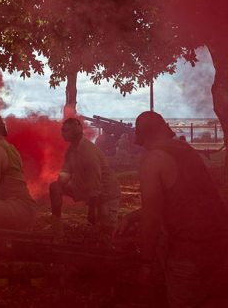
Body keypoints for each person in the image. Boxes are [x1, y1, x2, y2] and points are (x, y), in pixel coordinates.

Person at [115, 111, 228, 308]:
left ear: (142, 135)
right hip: (220, 247)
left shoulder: (153, 160)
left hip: (189, 254)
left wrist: (146, 263)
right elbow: (187, 200)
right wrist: (133, 216)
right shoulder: (186, 150)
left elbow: (152, 219)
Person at [49, 118, 121, 238]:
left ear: (76, 132)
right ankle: (56, 228)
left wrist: (91, 212)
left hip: (106, 193)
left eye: (65, 130)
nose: (62, 133)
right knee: (55, 187)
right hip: (86, 186)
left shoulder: (88, 153)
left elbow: (95, 187)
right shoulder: (72, 149)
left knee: (105, 231)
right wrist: (59, 187)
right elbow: (65, 172)